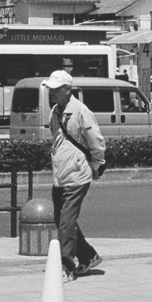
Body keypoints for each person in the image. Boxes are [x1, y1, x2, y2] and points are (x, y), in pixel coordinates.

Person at [46, 69, 106, 282]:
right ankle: (89, 256)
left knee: (66, 221)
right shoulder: (55, 110)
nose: (51, 94)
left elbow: (96, 140)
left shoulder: (81, 111)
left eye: (55, 90)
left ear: (67, 90)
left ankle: (66, 266)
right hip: (60, 174)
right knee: (61, 219)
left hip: (77, 173)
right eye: (49, 90)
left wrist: (98, 164)